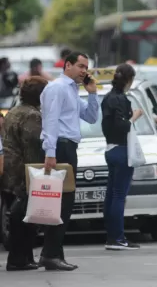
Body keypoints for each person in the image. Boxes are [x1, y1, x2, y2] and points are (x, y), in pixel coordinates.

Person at [39, 52, 99, 271]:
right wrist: (50, 152)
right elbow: (51, 121)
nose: (84, 71)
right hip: (60, 147)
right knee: (61, 203)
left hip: (69, 147)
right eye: (81, 66)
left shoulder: (73, 90)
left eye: (86, 67)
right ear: (68, 65)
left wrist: (92, 94)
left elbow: (91, 118)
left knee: (64, 203)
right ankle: (50, 254)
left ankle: (54, 253)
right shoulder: (57, 88)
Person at [1, 76, 48, 271]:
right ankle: (19, 258)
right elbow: (33, 146)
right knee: (25, 217)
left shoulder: (13, 112)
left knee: (17, 214)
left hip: (10, 170)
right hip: (25, 171)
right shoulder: (32, 115)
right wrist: (39, 171)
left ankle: (23, 257)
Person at [101, 63, 142, 250]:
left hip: (110, 149)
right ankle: (118, 238)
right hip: (122, 150)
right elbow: (122, 125)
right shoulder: (122, 100)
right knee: (119, 195)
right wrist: (134, 117)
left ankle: (111, 236)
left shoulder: (107, 98)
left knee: (110, 194)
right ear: (129, 80)